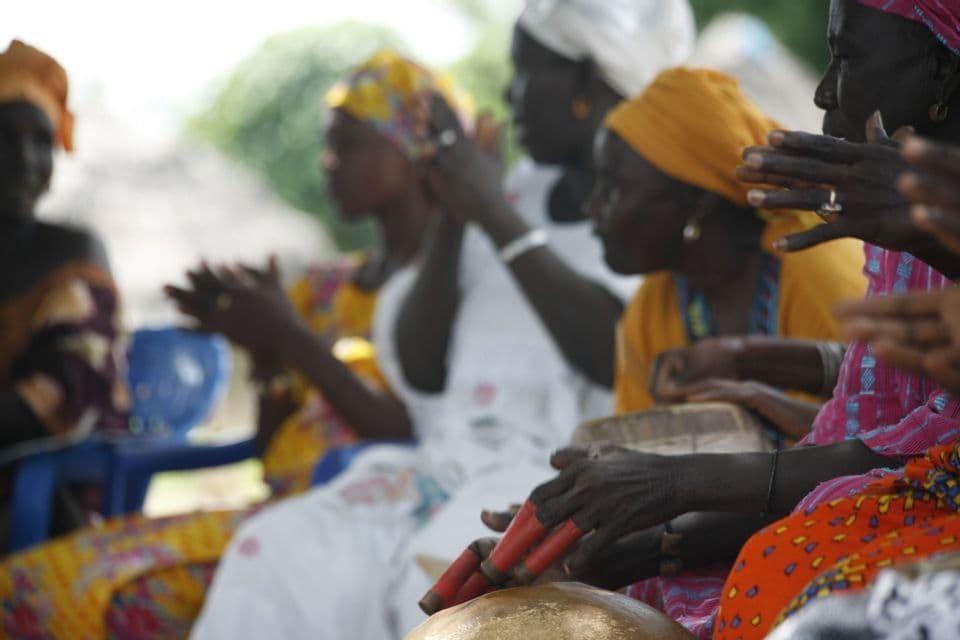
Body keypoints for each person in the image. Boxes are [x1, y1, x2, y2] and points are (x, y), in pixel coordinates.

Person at [191, 3, 695, 638]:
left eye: (526, 72)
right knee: (275, 552)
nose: (509, 95)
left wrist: (494, 215)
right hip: (441, 463)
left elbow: (616, 351)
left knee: (440, 592)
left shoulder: (655, 206)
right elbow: (422, 371)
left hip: (555, 481)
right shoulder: (512, 192)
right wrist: (459, 216)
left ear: (587, 87)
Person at [0, 50, 465, 639]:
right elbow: (271, 450)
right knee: (23, 583)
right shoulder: (321, 287)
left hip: (364, 524)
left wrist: (291, 338)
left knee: (85, 595)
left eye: (347, 144)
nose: (327, 163)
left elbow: (418, 432)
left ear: (409, 147)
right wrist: (267, 355)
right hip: (277, 511)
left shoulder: (450, 286)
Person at [431, 66, 869, 639]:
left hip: (821, 538)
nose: (593, 208)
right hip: (710, 544)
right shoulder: (652, 308)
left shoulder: (816, 275)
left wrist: (647, 545)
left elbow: (872, 454)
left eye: (614, 188)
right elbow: (642, 464)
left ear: (695, 203)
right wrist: (573, 531)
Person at [0, 39, 128, 517]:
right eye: (4, 138)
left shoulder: (74, 254)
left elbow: (69, 397)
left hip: (48, 499)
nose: (25, 159)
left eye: (41, 142)